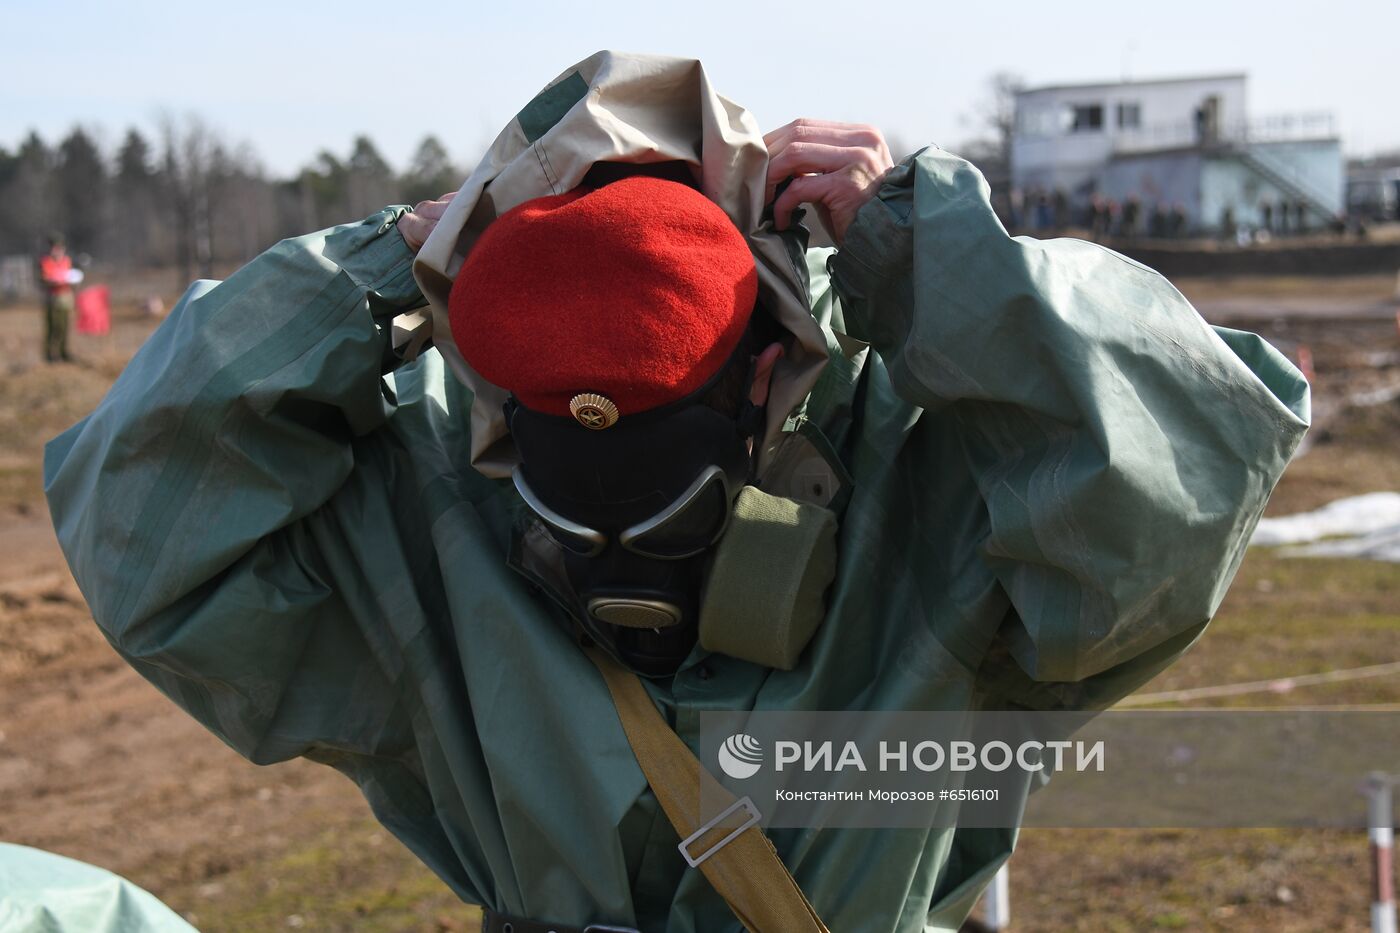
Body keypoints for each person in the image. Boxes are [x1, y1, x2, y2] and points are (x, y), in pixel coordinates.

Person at [43, 52, 1309, 932]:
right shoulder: (435, 501)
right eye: (569, 498)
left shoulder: (905, 479)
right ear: (500, 411)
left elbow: (1182, 465)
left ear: (774, 372)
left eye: (666, 499)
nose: (607, 563)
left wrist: (927, 253)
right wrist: (374, 270)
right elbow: (145, 524)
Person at [37, 233, 76, 363]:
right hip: (52, 297)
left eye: (60, 247)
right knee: (53, 326)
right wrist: (53, 282)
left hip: (65, 297)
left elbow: (72, 276)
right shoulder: (45, 261)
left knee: (64, 326)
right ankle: (50, 354)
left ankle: (63, 352)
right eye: (55, 247)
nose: (58, 250)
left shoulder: (67, 260)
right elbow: (42, 280)